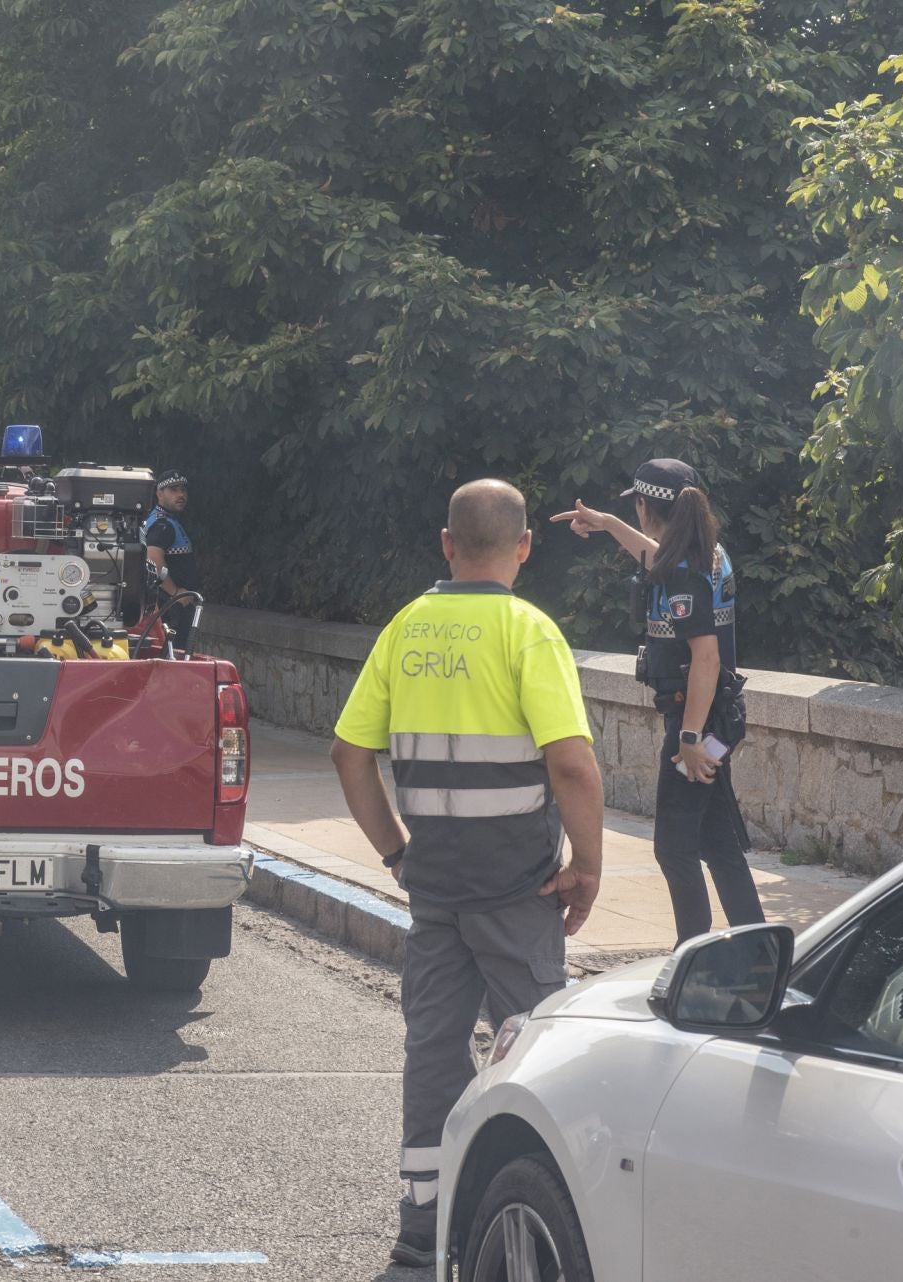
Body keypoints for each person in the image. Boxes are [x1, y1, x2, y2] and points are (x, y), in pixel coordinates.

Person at [329, 479, 603, 1268]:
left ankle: (424, 1229)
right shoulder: (530, 632)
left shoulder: (407, 628)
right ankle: (542, 1222)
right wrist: (586, 866)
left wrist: (395, 852)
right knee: (541, 1058)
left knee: (434, 1054)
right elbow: (575, 769)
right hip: (518, 891)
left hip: (436, 889)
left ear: (447, 545)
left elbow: (350, 754)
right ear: (522, 548)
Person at [553, 458, 763, 945]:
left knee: (673, 848)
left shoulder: (684, 577)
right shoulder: (706, 555)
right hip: (719, 720)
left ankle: (691, 952)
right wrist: (607, 524)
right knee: (716, 841)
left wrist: (689, 739)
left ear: (647, 505)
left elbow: (705, 660)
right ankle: (758, 946)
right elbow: (654, 554)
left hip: (698, 723)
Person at [141, 471, 201, 651]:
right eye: (173, 490)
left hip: (168, 605)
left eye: (183, 490)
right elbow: (152, 558)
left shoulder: (163, 520)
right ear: (159, 493)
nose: (181, 495)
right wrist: (175, 593)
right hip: (170, 608)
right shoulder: (163, 524)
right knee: (174, 654)